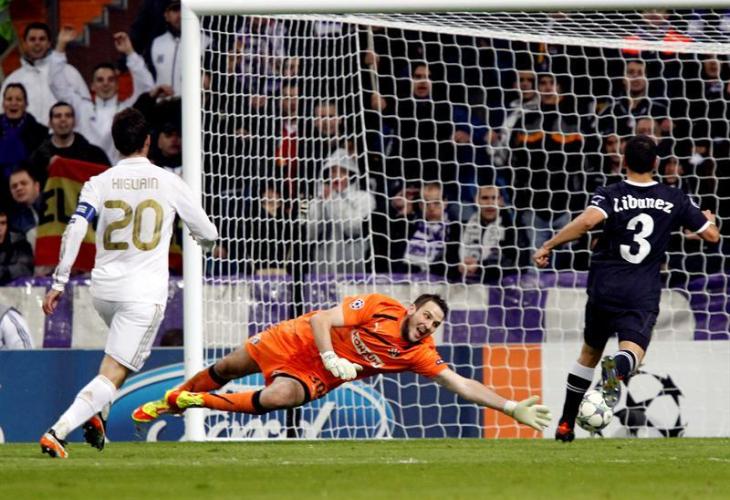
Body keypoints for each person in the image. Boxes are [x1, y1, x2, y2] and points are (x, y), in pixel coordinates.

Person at [39, 108, 218, 458]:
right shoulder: (168, 181)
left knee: (119, 359)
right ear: (148, 142)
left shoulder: (99, 181)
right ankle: (58, 431)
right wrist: (207, 244)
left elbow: (75, 227)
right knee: (115, 370)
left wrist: (59, 281)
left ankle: (98, 413)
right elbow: (207, 231)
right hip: (143, 294)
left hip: (104, 292)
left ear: (116, 143)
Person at [132, 293, 552, 434]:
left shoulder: (418, 353)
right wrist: (332, 355)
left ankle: (191, 401)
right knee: (226, 368)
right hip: (297, 338)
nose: (428, 325)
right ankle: (173, 399)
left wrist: (510, 406)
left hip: (313, 374)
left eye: (435, 324)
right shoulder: (379, 306)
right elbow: (321, 320)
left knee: (278, 398)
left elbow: (460, 383)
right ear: (411, 309)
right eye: (426, 315)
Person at [532, 135, 720, 442]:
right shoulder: (674, 197)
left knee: (588, 353)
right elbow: (711, 236)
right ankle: (614, 371)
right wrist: (708, 221)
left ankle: (565, 424)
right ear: (656, 162)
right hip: (641, 292)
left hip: (603, 286)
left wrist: (549, 244)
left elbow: (586, 222)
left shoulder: (610, 193)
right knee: (631, 352)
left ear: (624, 160)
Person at [49, 27, 154, 164]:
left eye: (111, 79)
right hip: (87, 171)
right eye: (100, 80)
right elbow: (56, 83)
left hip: (116, 171)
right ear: (92, 85)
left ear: (117, 85)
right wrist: (60, 47)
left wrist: (130, 53)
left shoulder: (127, 109)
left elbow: (147, 88)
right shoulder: (82, 107)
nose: (105, 84)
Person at [0, 22, 89, 122]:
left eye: (42, 39)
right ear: (24, 44)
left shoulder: (69, 73)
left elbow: (85, 111)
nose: (37, 43)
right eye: (32, 39)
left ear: (49, 43)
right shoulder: (13, 79)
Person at [29, 101, 111, 186]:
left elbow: (109, 181)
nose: (63, 119)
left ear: (74, 122)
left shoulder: (95, 154)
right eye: (58, 116)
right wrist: (48, 170)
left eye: (68, 115)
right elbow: (32, 187)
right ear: (50, 123)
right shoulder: (38, 157)